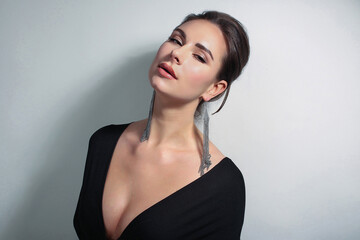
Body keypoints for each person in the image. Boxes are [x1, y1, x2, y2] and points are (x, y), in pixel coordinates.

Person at [73, 10, 250, 240]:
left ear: (214, 89)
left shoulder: (224, 186)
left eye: (199, 56)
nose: (176, 53)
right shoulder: (103, 142)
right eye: (176, 40)